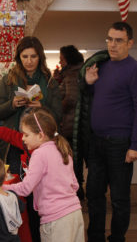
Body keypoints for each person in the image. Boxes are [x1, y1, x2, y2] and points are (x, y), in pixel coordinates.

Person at [75, 22, 137, 242]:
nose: (112, 44)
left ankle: (117, 238)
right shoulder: (102, 66)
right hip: (96, 143)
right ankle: (96, 237)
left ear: (130, 43)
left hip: (120, 144)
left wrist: (136, 145)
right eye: (109, 39)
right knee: (94, 195)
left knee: (119, 198)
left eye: (118, 40)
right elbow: (91, 100)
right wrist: (88, 84)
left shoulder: (136, 71)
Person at [4, 108, 84, 242]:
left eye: (26, 135)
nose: (22, 138)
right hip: (75, 214)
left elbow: (25, 188)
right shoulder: (63, 149)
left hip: (56, 220)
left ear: (40, 135)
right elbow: (75, 185)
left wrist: (2, 187)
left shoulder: (39, 154)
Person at [0, 36, 62, 175]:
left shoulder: (50, 82)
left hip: (41, 143)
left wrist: (42, 107)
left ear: (40, 57)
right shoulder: (8, 80)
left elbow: (58, 116)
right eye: (24, 56)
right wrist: (12, 104)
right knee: (16, 184)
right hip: (13, 143)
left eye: (33, 56)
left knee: (39, 186)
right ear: (19, 57)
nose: (29, 61)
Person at [53, 45, 85, 200]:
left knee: (73, 161)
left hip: (71, 127)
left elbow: (71, 98)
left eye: (62, 59)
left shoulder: (72, 75)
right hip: (72, 125)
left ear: (68, 59)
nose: (60, 61)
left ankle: (76, 192)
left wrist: (56, 109)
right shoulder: (71, 74)